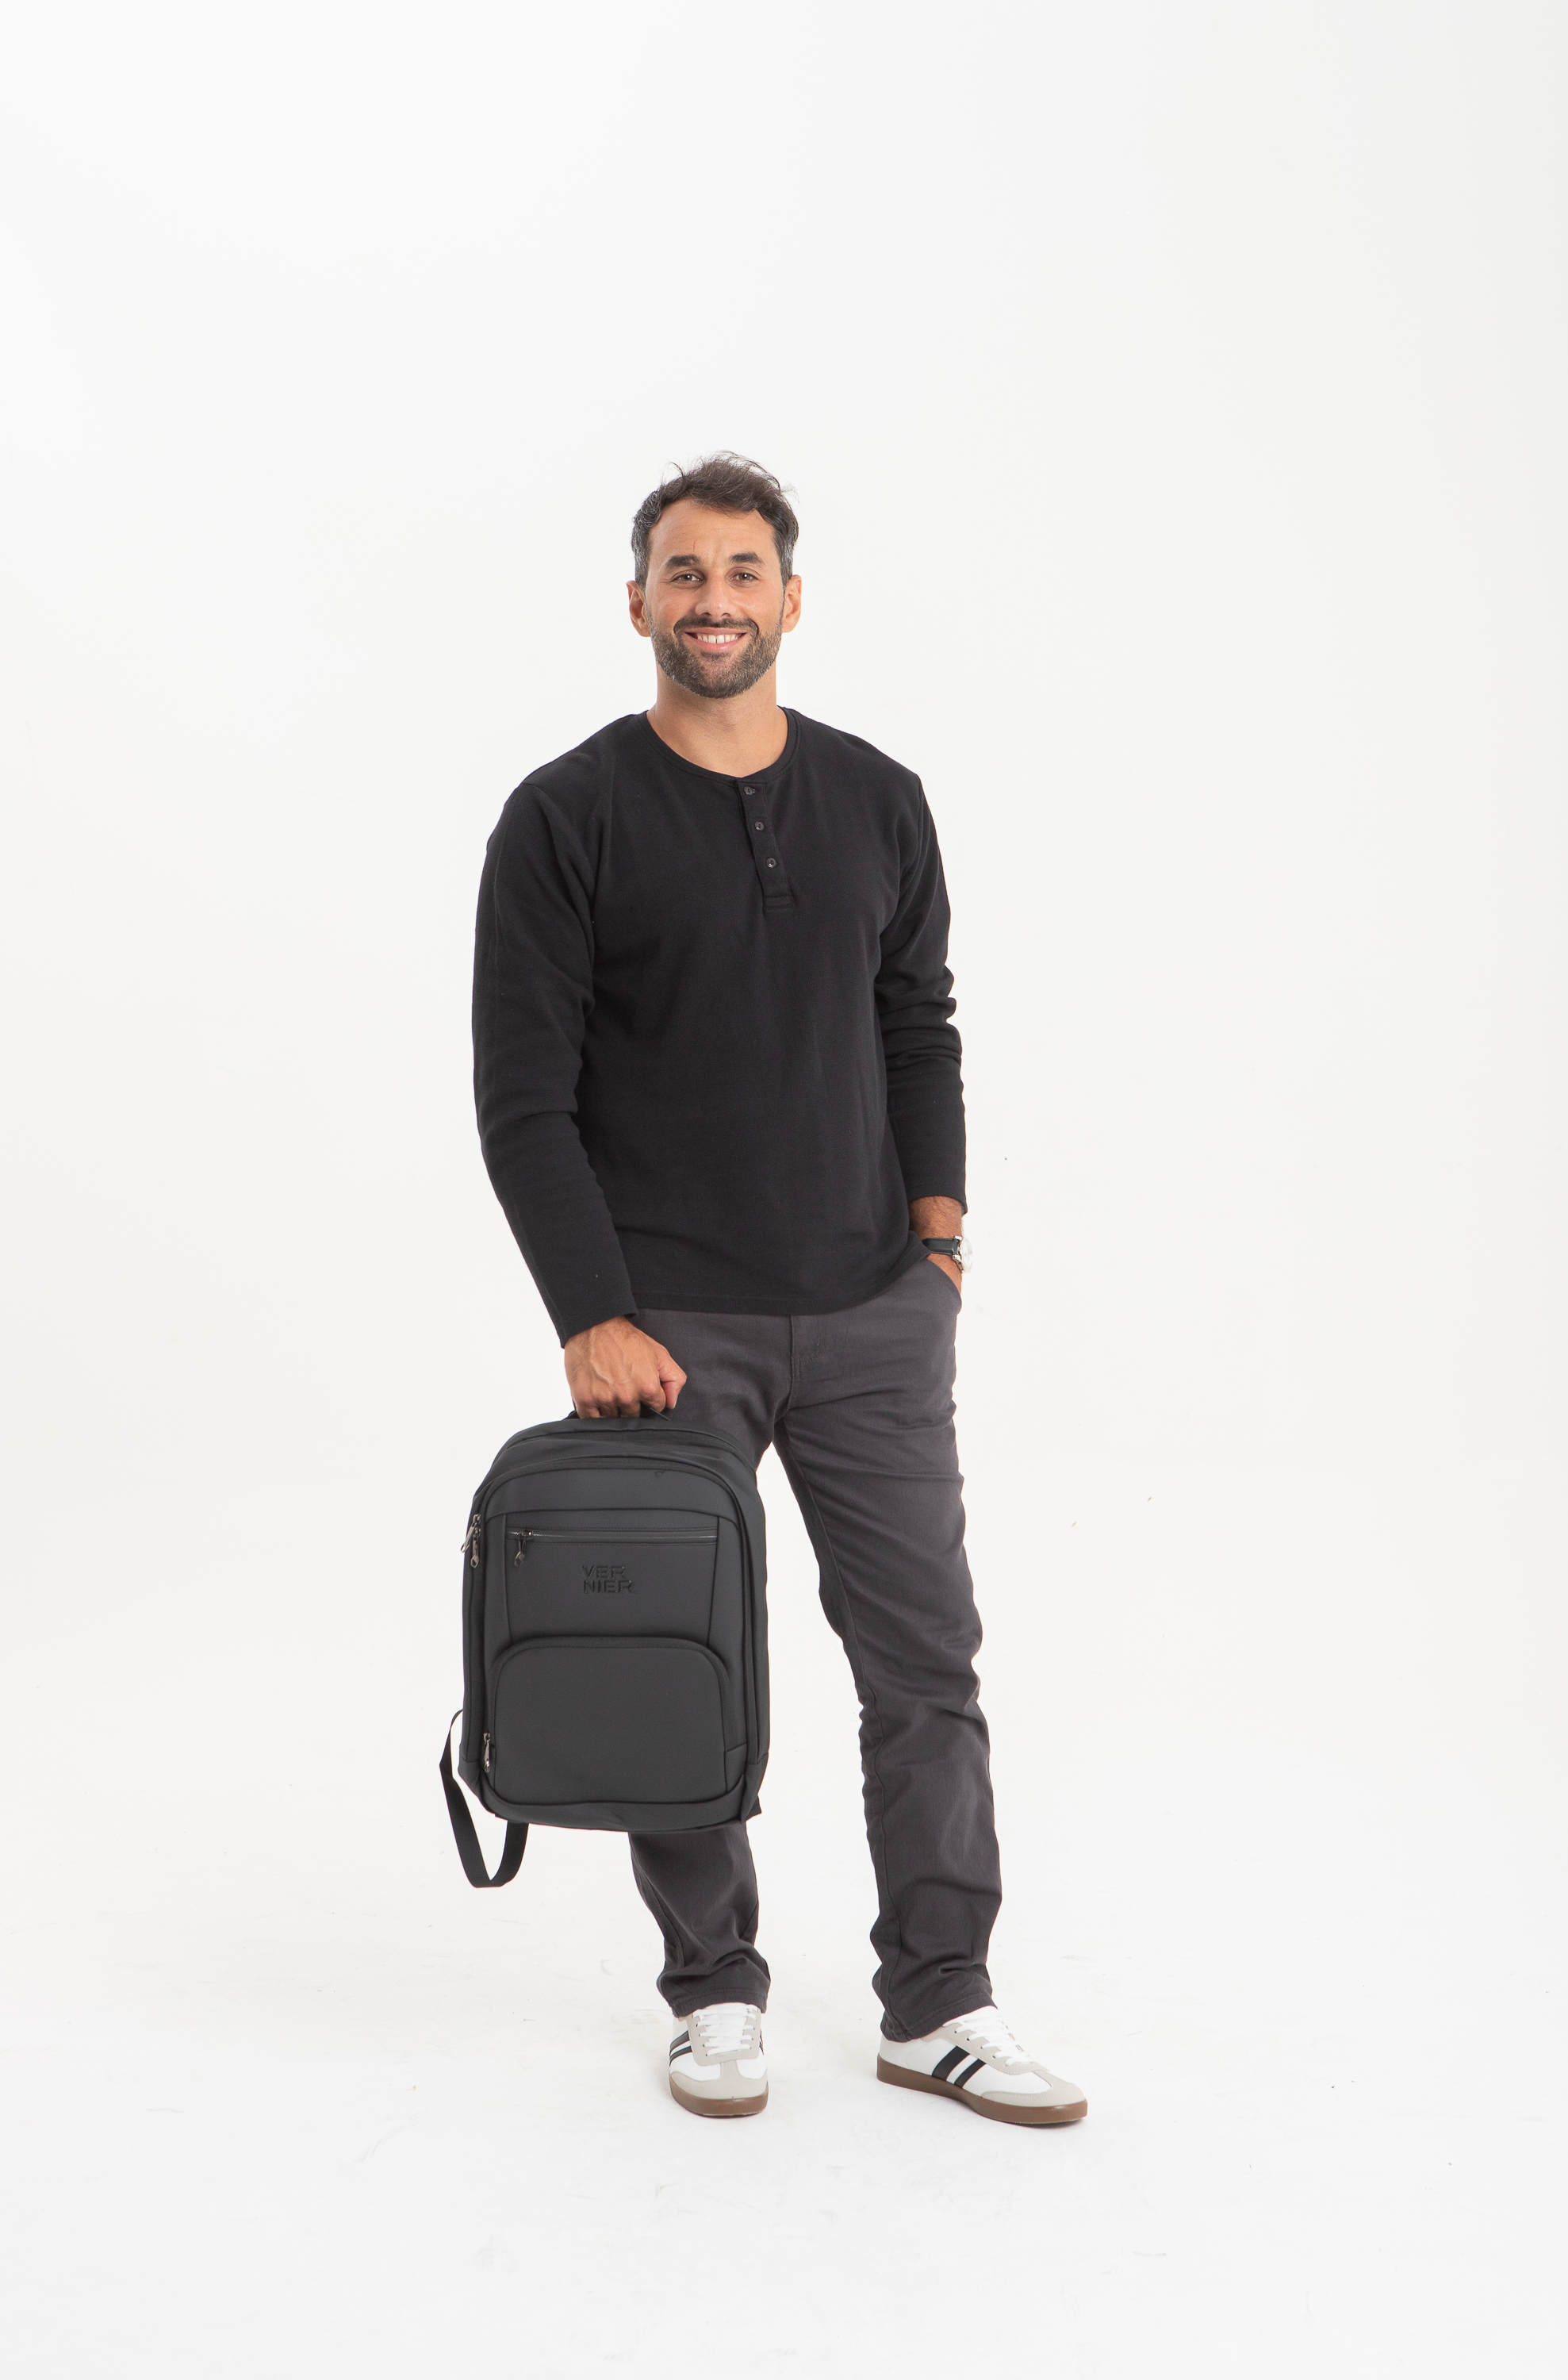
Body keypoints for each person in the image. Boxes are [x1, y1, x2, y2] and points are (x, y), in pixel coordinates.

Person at [472, 454, 1086, 2128]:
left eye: (744, 571)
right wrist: (592, 1314)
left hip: (877, 1308)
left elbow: (918, 1023)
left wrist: (938, 1244)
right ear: (638, 601)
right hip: (667, 1327)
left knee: (926, 1664)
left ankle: (941, 2003)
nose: (715, 600)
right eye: (685, 572)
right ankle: (713, 1993)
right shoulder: (565, 817)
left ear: (792, 599)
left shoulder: (879, 798)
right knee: (673, 1651)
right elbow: (523, 1097)